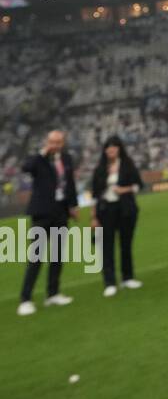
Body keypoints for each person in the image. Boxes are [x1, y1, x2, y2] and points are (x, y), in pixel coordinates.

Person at [18, 130, 79, 315]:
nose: (55, 145)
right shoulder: (39, 159)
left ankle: (53, 293)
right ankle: (25, 299)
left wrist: (73, 206)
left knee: (57, 255)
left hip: (60, 212)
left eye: (59, 142)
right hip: (42, 213)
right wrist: (43, 152)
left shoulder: (67, 158)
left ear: (63, 143)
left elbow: (70, 184)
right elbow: (26, 168)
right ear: (47, 142)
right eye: (52, 142)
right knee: (36, 257)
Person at [90, 135, 143, 296]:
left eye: (114, 146)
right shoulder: (100, 169)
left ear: (119, 148)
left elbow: (138, 186)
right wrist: (93, 217)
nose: (111, 150)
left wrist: (124, 189)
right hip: (106, 210)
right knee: (107, 247)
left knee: (126, 244)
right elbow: (94, 195)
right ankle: (110, 282)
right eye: (108, 147)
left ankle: (128, 277)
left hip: (126, 208)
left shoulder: (127, 165)